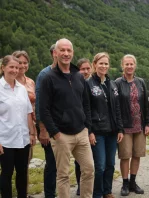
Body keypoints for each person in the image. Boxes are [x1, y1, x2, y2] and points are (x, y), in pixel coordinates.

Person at [39, 38, 94, 198]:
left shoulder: (78, 76)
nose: (66, 53)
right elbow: (44, 109)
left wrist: (87, 127)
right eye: (62, 50)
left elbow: (86, 104)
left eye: (69, 50)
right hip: (61, 135)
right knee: (63, 175)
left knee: (89, 169)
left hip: (81, 133)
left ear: (72, 53)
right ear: (55, 53)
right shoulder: (48, 78)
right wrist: (55, 133)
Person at [86, 52, 124, 198]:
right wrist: (90, 131)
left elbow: (117, 109)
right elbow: (87, 110)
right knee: (100, 166)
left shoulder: (113, 84)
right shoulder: (88, 84)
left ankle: (107, 191)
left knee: (110, 164)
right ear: (94, 64)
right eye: (101, 63)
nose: (103, 66)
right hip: (97, 131)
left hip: (112, 131)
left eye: (106, 63)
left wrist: (120, 128)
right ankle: (97, 193)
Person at [0, 55, 36, 198]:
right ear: (3, 68)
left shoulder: (21, 89)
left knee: (22, 173)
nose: (15, 70)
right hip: (6, 140)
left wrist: (32, 133)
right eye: (11, 67)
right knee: (7, 173)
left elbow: (28, 111)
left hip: (23, 139)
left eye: (17, 67)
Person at [116, 54, 149, 196]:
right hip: (125, 126)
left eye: (132, 64)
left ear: (135, 65)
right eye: (127, 64)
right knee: (125, 155)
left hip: (140, 125)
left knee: (137, 154)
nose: (129, 67)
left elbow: (146, 104)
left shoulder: (141, 82)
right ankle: (124, 184)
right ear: (122, 66)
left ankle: (132, 182)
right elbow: (116, 107)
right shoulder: (117, 83)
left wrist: (148, 123)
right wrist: (118, 127)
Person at [12, 50, 37, 198]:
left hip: (28, 126)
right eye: (19, 62)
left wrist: (33, 129)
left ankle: (24, 193)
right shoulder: (8, 81)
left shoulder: (30, 82)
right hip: (11, 127)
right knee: (9, 167)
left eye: (25, 63)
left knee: (25, 164)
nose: (22, 65)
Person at [35, 44, 57, 198]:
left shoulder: (65, 73)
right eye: (58, 51)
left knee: (59, 163)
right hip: (48, 128)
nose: (62, 54)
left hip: (62, 127)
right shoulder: (45, 74)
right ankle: (49, 194)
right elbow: (39, 104)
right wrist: (42, 129)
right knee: (51, 163)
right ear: (52, 54)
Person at [75, 57, 92, 195]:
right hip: (79, 126)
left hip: (92, 125)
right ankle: (80, 187)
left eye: (87, 68)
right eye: (82, 69)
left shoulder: (94, 82)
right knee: (79, 161)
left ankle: (90, 187)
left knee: (91, 162)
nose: (85, 71)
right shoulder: (75, 82)